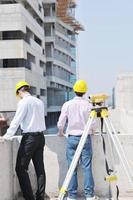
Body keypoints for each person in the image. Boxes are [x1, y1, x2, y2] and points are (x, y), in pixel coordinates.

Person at [2, 81, 46, 200]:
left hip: (29, 139)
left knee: (20, 168)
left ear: (19, 91)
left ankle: (29, 198)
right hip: (41, 137)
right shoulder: (39, 102)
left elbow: (16, 120)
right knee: (40, 169)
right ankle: (40, 197)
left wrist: (7, 136)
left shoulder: (23, 102)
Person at [57, 80, 99, 200]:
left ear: (74, 90)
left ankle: (72, 195)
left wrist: (61, 133)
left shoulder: (67, 104)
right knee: (87, 167)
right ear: (85, 91)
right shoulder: (88, 105)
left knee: (72, 168)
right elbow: (94, 124)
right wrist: (93, 131)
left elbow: (61, 123)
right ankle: (89, 195)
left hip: (72, 138)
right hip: (85, 138)